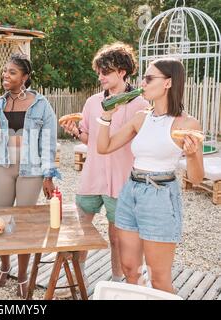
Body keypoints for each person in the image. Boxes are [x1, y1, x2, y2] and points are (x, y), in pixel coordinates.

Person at [97, 57, 204, 293]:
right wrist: (107, 117)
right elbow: (104, 148)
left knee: (159, 279)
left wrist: (193, 154)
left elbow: (196, 178)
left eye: (148, 78)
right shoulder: (141, 117)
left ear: (168, 83)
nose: (142, 83)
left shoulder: (187, 123)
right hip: (131, 192)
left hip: (160, 195)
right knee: (130, 270)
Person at [61, 43, 149, 285]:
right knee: (80, 232)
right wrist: (76, 132)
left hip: (122, 181)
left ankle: (117, 280)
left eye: (105, 72)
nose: (100, 77)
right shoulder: (92, 102)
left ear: (122, 71)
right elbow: (89, 138)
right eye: (98, 72)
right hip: (92, 177)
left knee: (117, 237)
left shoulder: (141, 105)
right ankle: (77, 277)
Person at [0, 53, 60, 298]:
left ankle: (23, 274)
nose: (6, 75)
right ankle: (5, 267)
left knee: (24, 226)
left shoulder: (41, 104)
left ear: (25, 77)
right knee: (1, 221)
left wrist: (48, 176)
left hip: (31, 169)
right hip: (5, 165)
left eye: (12, 72)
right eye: (5, 71)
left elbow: (48, 141)